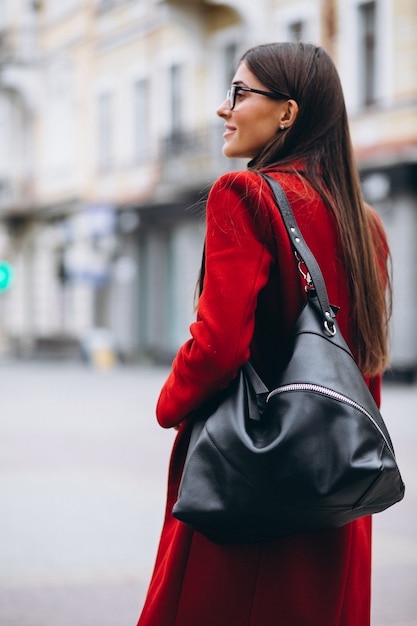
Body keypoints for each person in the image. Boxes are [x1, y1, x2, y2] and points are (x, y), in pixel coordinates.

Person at [136, 42, 391, 626]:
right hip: (333, 491)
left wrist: (169, 402)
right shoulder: (364, 224)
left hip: (249, 484)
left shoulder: (244, 196)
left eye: (239, 93)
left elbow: (218, 345)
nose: (223, 110)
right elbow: (363, 369)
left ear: (287, 113)